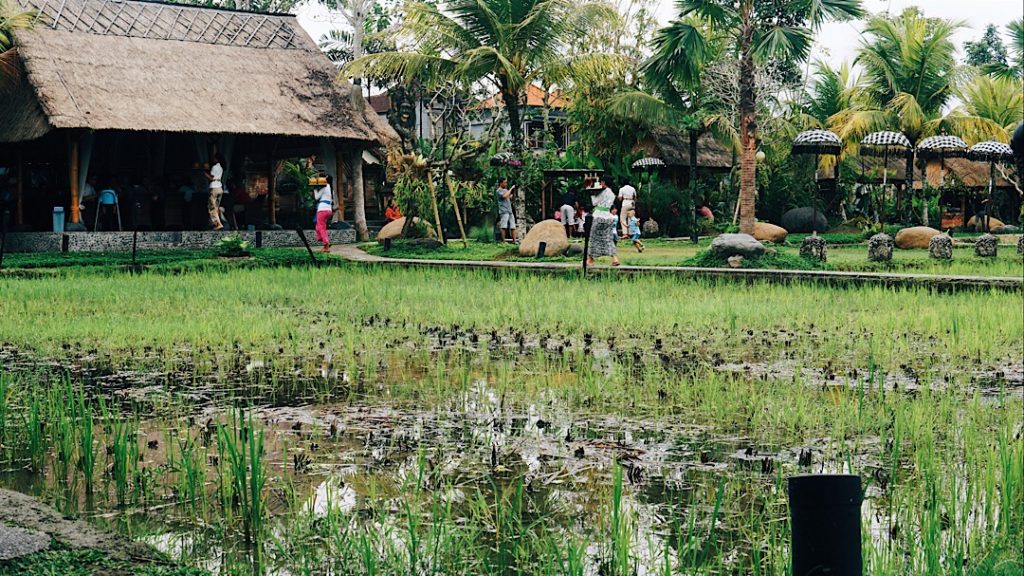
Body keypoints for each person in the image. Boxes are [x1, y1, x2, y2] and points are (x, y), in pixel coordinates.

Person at [586, 175, 620, 266]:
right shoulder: (612, 194)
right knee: (608, 239)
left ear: (604, 183)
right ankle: (614, 258)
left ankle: (590, 260)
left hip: (598, 216)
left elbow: (594, 202)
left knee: (593, 238)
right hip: (608, 218)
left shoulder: (602, 192)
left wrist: (591, 191)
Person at [314, 175, 336, 252]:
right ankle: (322, 240)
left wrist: (315, 189)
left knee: (321, 227)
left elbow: (316, 197)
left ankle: (326, 245)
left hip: (322, 209)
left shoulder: (324, 187)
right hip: (328, 210)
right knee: (319, 226)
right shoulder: (331, 189)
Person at [206, 154, 226, 231]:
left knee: (211, 207)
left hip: (214, 187)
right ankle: (217, 222)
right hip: (220, 187)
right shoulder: (221, 167)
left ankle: (218, 224)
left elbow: (211, 177)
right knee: (216, 207)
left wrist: (204, 173)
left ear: (217, 159)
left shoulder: (214, 167)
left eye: (214, 158)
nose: (213, 159)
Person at [496, 178, 517, 242]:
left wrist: (512, 190)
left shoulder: (506, 190)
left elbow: (509, 196)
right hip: (504, 211)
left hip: (509, 210)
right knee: (503, 226)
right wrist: (511, 188)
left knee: (513, 226)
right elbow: (504, 196)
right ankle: (503, 241)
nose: (506, 184)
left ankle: (514, 241)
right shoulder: (499, 191)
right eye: (505, 182)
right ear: (501, 183)